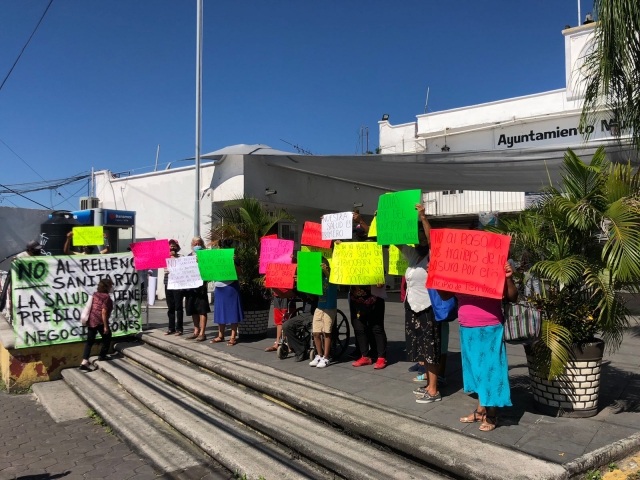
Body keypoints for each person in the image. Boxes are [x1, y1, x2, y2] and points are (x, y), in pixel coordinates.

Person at [438, 262, 518, 431]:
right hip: (466, 327)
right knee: (475, 370)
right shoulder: (458, 269)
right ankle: (481, 409)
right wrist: (437, 277)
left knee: (491, 371)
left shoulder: (494, 267)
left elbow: (512, 296)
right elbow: (445, 296)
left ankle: (492, 415)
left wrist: (508, 278)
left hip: (490, 327)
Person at [399, 204, 442, 404]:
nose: (422, 239)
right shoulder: (414, 256)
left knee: (431, 348)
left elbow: (434, 240)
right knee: (422, 349)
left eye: (424, 237)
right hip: (413, 307)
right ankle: (428, 383)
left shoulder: (433, 256)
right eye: (419, 237)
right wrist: (382, 220)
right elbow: (397, 241)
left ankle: (434, 390)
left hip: (428, 308)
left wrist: (422, 217)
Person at [209, 246, 243, 347]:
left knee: (233, 311)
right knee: (220, 312)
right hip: (219, 288)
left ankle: (233, 336)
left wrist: (235, 262)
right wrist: (200, 261)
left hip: (231, 287)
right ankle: (220, 335)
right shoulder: (214, 258)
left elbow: (239, 273)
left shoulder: (234, 258)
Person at [79, 278, 114, 371]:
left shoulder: (95, 294)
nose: (112, 287)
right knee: (107, 336)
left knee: (89, 342)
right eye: (111, 285)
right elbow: (104, 311)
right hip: (100, 321)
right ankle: (102, 355)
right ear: (107, 287)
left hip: (92, 321)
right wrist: (106, 326)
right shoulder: (106, 297)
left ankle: (84, 361)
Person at [309, 259, 338, 368]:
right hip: (320, 307)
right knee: (316, 332)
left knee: (327, 332)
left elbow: (330, 277)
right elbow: (312, 294)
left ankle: (326, 357)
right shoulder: (317, 278)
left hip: (330, 307)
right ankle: (319, 355)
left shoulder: (333, 278)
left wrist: (326, 270)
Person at [185, 237, 210, 342]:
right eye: (195, 244)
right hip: (191, 288)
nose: (197, 245)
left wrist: (201, 262)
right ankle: (196, 331)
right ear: (192, 245)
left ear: (202, 244)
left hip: (201, 288)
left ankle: (202, 333)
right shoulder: (188, 257)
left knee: (202, 310)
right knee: (193, 310)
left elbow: (210, 268)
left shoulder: (206, 255)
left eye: (199, 243)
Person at [265, 287, 296, 352]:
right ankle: (278, 343)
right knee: (279, 320)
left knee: (287, 318)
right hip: (277, 292)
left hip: (287, 292)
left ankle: (289, 344)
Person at [164, 239, 184, 336]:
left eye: (174, 245)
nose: (172, 247)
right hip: (168, 284)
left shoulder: (182, 258)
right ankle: (171, 328)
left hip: (178, 284)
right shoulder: (165, 258)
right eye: (170, 245)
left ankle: (179, 328)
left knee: (178, 307)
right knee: (170, 307)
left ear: (177, 247)